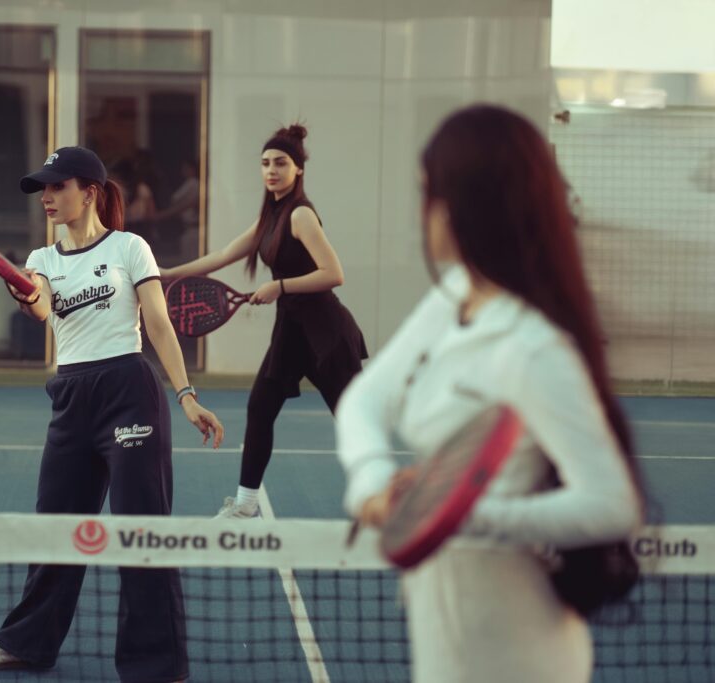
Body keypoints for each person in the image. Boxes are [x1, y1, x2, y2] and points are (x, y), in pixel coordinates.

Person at [336, 104, 644, 683]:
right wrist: (373, 483)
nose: (422, 210)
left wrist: (456, 516)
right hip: (442, 628)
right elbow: (364, 400)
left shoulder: (533, 347)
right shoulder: (456, 294)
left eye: (430, 192)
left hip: (516, 649)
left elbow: (611, 505)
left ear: (466, 204)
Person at [0, 146, 224, 683]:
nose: (48, 198)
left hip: (130, 391)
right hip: (72, 397)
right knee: (55, 525)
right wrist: (24, 290)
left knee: (140, 530)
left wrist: (187, 394)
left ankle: (156, 666)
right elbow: (41, 305)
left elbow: (158, 324)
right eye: (43, 190)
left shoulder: (131, 248)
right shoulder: (44, 260)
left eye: (58, 187)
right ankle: (27, 643)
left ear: (90, 191)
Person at [161, 124, 367, 519]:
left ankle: (395, 505)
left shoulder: (301, 215)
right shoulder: (270, 218)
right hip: (291, 333)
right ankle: (245, 506)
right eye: (265, 163)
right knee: (260, 408)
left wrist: (281, 287)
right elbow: (222, 254)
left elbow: (333, 273)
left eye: (281, 163)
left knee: (357, 423)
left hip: (327, 334)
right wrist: (171, 273)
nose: (271, 170)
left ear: (298, 170)